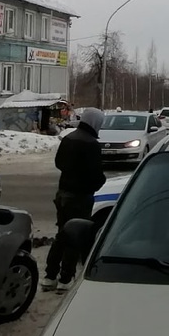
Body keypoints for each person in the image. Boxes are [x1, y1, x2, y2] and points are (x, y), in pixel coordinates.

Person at [42, 106, 107, 294]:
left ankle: (49, 276)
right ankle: (65, 278)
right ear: (95, 123)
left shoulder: (69, 138)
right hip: (80, 198)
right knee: (75, 236)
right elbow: (96, 175)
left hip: (62, 195)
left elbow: (58, 163)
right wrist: (97, 183)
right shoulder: (91, 144)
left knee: (61, 234)